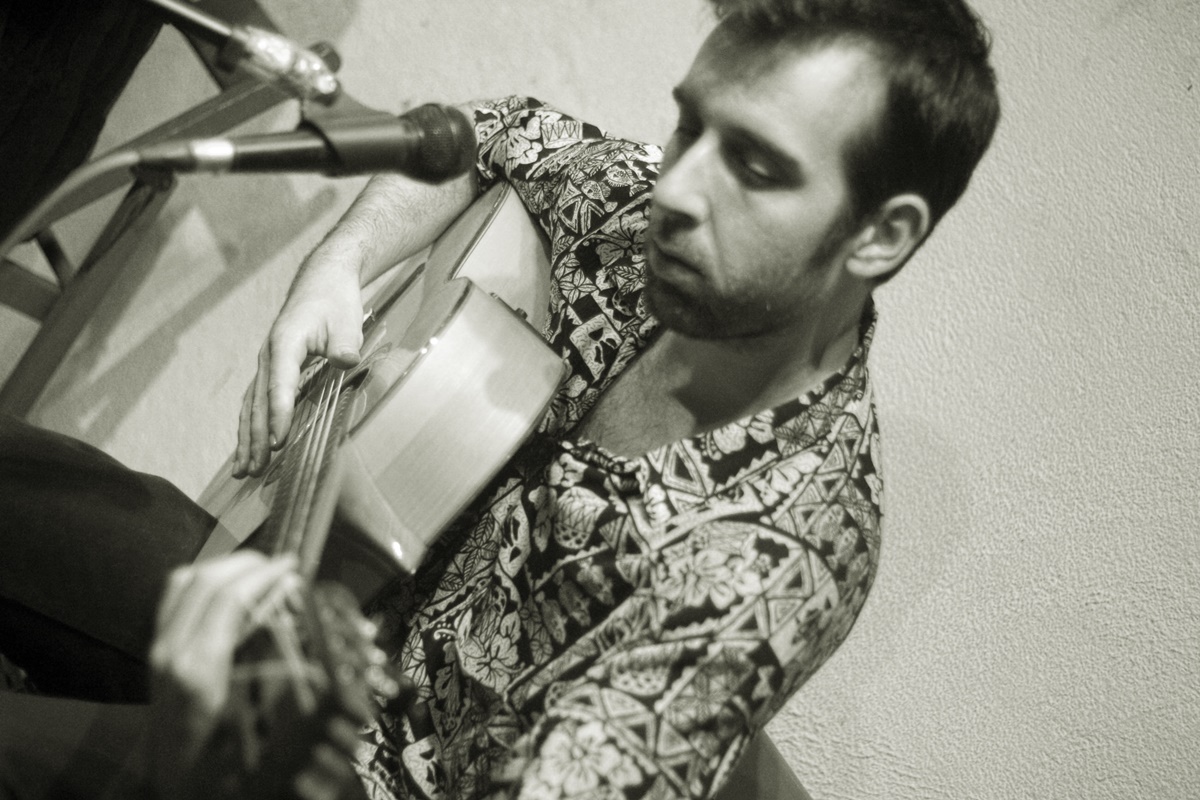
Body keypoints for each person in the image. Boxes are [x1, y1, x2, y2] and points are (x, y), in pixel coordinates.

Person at [0, 0, 999, 797]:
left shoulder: (775, 559)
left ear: (880, 234)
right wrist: (337, 267)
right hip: (305, 600)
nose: (678, 188)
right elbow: (491, 132)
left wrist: (221, 746)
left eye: (755, 166)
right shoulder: (644, 225)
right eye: (691, 125)